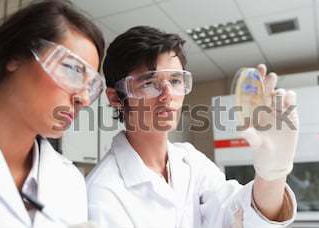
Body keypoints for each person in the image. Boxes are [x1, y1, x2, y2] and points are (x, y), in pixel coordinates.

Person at [87, 26, 299, 227]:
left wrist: (272, 175)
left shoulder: (190, 161)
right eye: (149, 83)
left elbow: (240, 217)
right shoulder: (102, 193)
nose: (168, 95)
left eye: (176, 81)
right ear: (115, 98)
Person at [0, 1, 105, 227]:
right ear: (15, 57)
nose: (83, 98)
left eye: (91, 86)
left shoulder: (71, 182)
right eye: (72, 69)